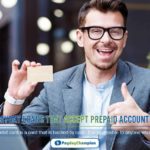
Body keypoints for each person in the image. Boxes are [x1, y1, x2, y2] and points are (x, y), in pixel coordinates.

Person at [1, 0, 150, 149]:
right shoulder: (57, 85)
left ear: (124, 38)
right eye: (96, 31)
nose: (106, 40)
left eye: (115, 31)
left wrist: (143, 124)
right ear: (80, 37)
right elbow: (14, 139)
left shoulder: (146, 82)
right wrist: (13, 99)